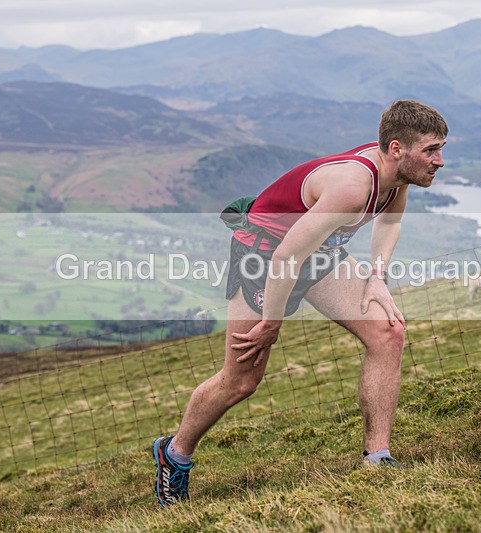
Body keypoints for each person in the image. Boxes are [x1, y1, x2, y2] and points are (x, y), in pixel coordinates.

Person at [153, 100, 448, 506]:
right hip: (264, 255)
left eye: (440, 149)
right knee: (241, 380)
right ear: (397, 148)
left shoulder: (398, 174)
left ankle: (377, 458)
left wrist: (377, 278)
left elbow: (390, 219)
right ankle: (174, 454)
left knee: (388, 332)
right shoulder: (353, 187)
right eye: (431, 150)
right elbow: (285, 258)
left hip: (318, 254)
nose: (439, 161)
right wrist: (271, 323)